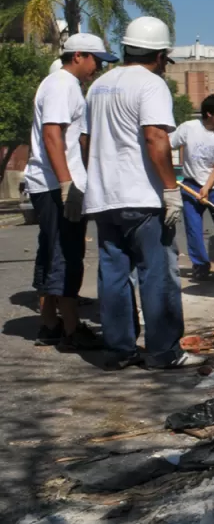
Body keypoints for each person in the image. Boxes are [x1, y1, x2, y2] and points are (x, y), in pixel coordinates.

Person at [83, 17, 204, 369]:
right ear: (160, 55)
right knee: (158, 273)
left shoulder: (99, 86)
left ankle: (119, 350)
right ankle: (164, 352)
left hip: (105, 198)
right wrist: (170, 189)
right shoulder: (151, 85)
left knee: (113, 276)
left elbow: (86, 140)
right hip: (142, 198)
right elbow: (155, 137)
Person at [26, 34, 116, 350]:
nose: (98, 67)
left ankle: (50, 324)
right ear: (78, 55)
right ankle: (70, 329)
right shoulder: (61, 84)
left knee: (52, 252)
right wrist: (67, 184)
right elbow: (53, 134)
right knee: (67, 254)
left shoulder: (63, 85)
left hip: (54, 183)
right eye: (97, 60)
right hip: (56, 185)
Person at [171, 94, 214, 281]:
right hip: (189, 185)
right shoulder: (188, 128)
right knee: (193, 229)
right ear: (209, 113)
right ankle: (200, 265)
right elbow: (166, 146)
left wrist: (206, 187)